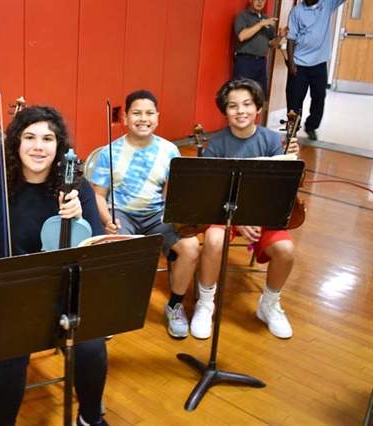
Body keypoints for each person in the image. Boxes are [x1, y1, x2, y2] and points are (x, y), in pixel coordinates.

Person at [0, 106, 109, 426]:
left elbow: (94, 244)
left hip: (66, 287)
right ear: (15, 144)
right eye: (29, 137)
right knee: (11, 356)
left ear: (59, 147)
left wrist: (79, 220)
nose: (38, 146)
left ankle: (89, 418)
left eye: (47, 138)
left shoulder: (77, 189)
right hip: (17, 291)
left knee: (92, 346)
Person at [193, 78, 300, 340]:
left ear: (258, 108)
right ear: (225, 111)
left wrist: (292, 162)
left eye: (247, 104)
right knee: (214, 239)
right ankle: (205, 302)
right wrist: (238, 219)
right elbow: (209, 192)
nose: (240, 111)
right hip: (224, 214)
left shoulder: (271, 140)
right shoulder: (217, 144)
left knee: (286, 250)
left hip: (260, 215)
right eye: (233, 106)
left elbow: (277, 190)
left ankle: (269, 304)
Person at [89, 90, 200, 339]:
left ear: (157, 117)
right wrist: (108, 221)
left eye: (149, 113)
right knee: (112, 249)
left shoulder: (170, 150)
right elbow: (98, 195)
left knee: (191, 247)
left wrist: (181, 219)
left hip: (158, 217)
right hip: (123, 215)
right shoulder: (110, 151)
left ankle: (175, 305)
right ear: (126, 117)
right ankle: (110, 310)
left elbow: (177, 194)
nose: (143, 118)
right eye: (136, 113)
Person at [287, 0, 346, 141]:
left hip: (319, 64)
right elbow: (291, 38)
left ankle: (311, 126)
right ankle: (292, 129)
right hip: (299, 63)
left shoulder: (327, 4)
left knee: (319, 97)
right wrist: (291, 62)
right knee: (294, 99)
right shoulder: (297, 11)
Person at [233, 0, 289, 96]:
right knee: (242, 94)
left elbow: (271, 44)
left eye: (263, 0)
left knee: (260, 96)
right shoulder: (243, 16)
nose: (260, 2)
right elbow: (242, 36)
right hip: (245, 61)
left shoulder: (267, 19)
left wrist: (280, 37)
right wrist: (261, 24)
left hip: (261, 63)